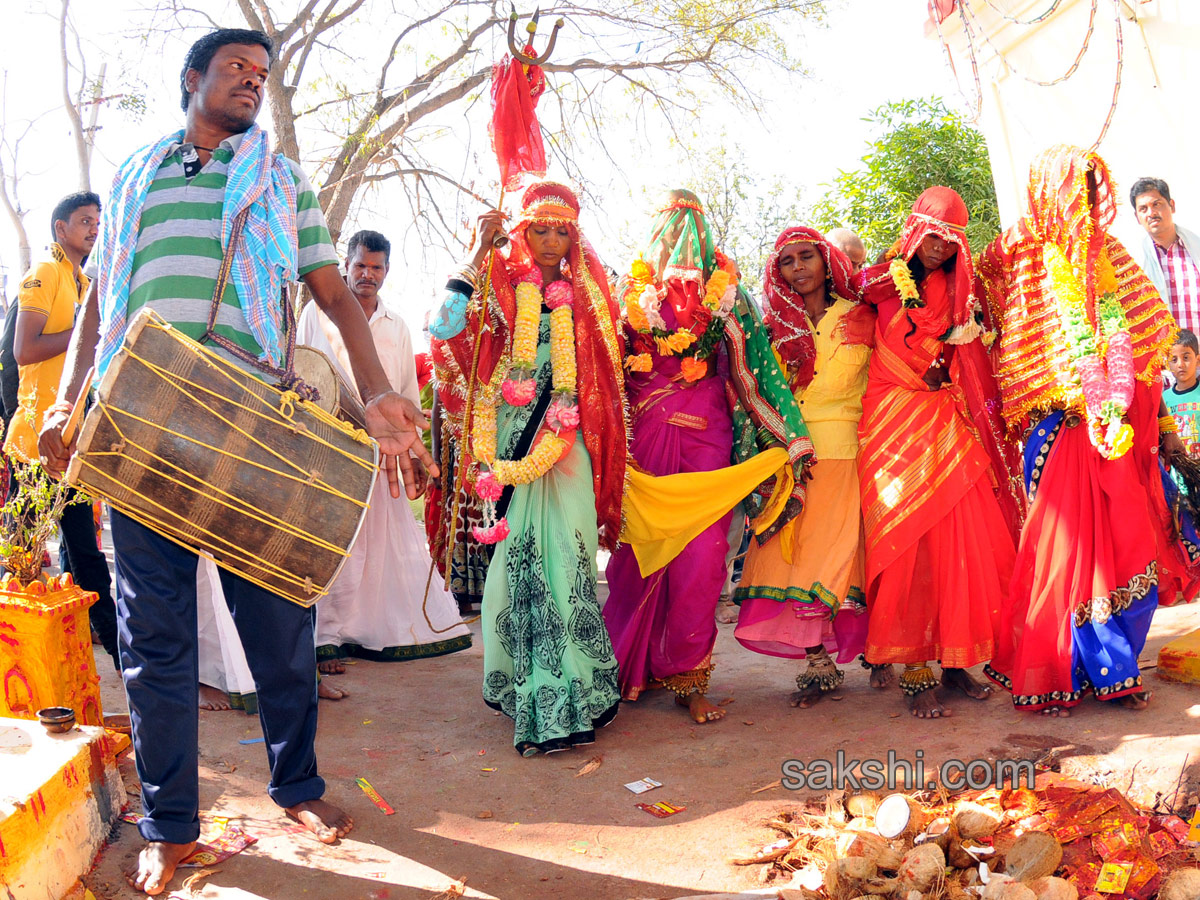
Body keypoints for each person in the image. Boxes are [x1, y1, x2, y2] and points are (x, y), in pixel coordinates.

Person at [36, 29, 434, 896]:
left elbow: (332, 294)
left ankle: (297, 789)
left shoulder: (282, 180)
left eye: (263, 73)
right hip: (142, 425)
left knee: (281, 626)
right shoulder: (136, 176)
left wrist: (373, 396)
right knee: (155, 639)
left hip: (253, 421)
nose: (252, 83)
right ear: (193, 79)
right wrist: (69, 402)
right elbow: (102, 301)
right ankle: (171, 825)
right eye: (236, 70)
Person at [979, 146, 1185, 715]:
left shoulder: (1111, 254)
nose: (1089, 203)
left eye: (1095, 190)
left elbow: (1142, 351)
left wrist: (1158, 420)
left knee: (1127, 546)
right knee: (1067, 557)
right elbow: (1012, 352)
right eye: (1078, 188)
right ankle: (1070, 670)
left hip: (1113, 434)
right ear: (1050, 191)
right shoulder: (1020, 257)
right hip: (1058, 431)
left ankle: (1114, 667)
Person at [428, 180, 626, 756]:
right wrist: (475, 253)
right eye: (539, 228)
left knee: (570, 559)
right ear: (520, 230)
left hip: (568, 447)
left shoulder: (590, 295)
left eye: (562, 229)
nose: (550, 240)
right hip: (511, 443)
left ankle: (578, 687)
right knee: (519, 565)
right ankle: (534, 690)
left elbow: (607, 386)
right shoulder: (497, 285)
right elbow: (442, 329)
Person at [603, 189, 813, 724]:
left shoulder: (729, 297)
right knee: (638, 559)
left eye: (693, 227)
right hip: (645, 445)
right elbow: (605, 376)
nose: (682, 239)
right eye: (671, 227)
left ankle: (690, 680)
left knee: (700, 561)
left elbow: (751, 373)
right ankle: (621, 667)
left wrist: (788, 437)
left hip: (707, 447)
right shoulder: (626, 296)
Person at [857, 186, 1022, 720]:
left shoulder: (959, 292)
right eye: (931, 235)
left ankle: (955, 665)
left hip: (943, 418)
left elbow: (971, 358)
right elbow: (845, 286)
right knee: (908, 543)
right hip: (890, 422)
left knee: (962, 541)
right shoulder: (883, 283)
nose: (937, 247)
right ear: (913, 229)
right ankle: (915, 674)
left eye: (949, 240)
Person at [298, 229, 470, 671]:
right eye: (359, 266)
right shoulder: (315, 315)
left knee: (372, 541)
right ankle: (324, 639)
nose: (367, 275)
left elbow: (407, 392)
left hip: (382, 448)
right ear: (345, 266)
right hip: (325, 445)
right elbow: (300, 368)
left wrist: (411, 450)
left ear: (387, 272)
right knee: (332, 541)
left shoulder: (397, 325)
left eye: (376, 268)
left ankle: (360, 630)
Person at [733, 227, 882, 706]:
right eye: (787, 262)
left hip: (850, 453)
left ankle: (882, 651)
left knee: (846, 559)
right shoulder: (770, 326)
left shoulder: (862, 315)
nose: (798, 268)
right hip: (787, 459)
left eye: (806, 257)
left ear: (827, 261)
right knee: (787, 562)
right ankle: (818, 664)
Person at [3, 192, 120, 669]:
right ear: (59, 229)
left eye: (98, 221)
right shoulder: (45, 274)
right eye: (84, 221)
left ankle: (114, 661)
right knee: (24, 564)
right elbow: (22, 351)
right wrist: (84, 334)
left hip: (68, 444)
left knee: (81, 558)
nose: (94, 229)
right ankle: (122, 664)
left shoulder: (82, 280)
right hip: (34, 445)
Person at [1131, 177, 1200, 334]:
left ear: (1172, 206)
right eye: (1143, 209)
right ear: (1137, 217)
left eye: (1157, 204)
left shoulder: (1196, 249)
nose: (1151, 213)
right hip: (1159, 355)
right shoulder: (1134, 262)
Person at [1166, 329, 1200, 456]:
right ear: (1168, 364)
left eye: (1186, 358)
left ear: (1198, 360)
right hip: (1176, 471)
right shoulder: (1164, 400)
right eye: (1174, 360)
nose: (1180, 364)